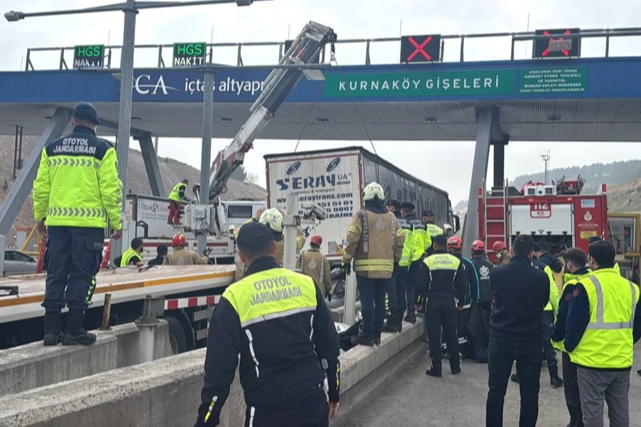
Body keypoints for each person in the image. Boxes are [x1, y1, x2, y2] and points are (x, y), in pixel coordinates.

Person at [194, 222, 340, 427]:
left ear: (241, 255)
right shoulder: (306, 284)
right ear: (273, 247)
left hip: (268, 410)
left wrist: (206, 421)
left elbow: (219, 371)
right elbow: (329, 345)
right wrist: (334, 390)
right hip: (313, 404)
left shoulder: (234, 298)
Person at [33, 101, 123, 347]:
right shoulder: (103, 151)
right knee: (82, 275)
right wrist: (117, 221)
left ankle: (51, 332)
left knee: (56, 273)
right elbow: (110, 191)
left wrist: (40, 217)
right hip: (88, 226)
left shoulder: (52, 149)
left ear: (73, 121)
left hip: (57, 225)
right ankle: (74, 330)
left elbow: (41, 187)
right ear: (95, 124)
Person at [564, 240, 641, 427]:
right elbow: (638, 325)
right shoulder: (632, 287)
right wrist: (624, 343)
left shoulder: (585, 286)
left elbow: (574, 325)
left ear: (591, 260)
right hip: (621, 362)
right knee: (620, 414)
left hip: (591, 362)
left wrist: (569, 347)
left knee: (592, 416)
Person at [485, 235, 550, 427]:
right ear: (531, 254)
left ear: (512, 251)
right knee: (529, 394)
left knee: (496, 392)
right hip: (530, 339)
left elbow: (494, 295)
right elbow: (543, 301)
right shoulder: (541, 277)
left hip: (501, 336)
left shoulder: (497, 273)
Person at [342, 182, 404, 346]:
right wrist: (396, 260)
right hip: (385, 270)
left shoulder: (361, 216)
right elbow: (400, 239)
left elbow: (352, 239)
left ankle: (367, 335)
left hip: (365, 270)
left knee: (367, 302)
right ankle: (376, 335)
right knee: (380, 301)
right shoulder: (392, 218)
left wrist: (346, 260)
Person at [512, 240, 562, 388]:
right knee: (548, 344)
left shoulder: (518, 267)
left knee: (523, 343)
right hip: (544, 311)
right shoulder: (543, 267)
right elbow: (552, 292)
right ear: (532, 252)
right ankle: (554, 376)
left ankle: (520, 375)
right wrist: (557, 313)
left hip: (524, 311)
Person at [415, 234, 467, 377]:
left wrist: (418, 302)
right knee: (451, 334)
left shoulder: (428, 261)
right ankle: (455, 366)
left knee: (434, 335)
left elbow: (420, 285)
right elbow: (462, 285)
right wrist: (461, 302)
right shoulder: (455, 261)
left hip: (433, 301)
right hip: (449, 301)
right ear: (446, 246)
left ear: (435, 245)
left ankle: (436, 368)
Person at [551, 248, 591, 427]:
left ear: (569, 264)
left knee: (573, 392)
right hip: (592, 346)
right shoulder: (593, 280)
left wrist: (557, 336)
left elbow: (564, 317)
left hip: (573, 349)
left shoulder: (572, 285)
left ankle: (576, 423)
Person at [384, 199, 411, 334]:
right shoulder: (408, 223)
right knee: (401, 291)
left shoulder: (391, 222)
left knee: (391, 292)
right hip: (405, 262)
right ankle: (399, 320)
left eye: (388, 206)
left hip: (394, 260)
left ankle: (392, 320)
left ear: (392, 208)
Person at [402, 202, 431, 324]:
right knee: (415, 285)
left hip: (407, 259)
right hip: (419, 259)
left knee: (405, 286)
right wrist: (422, 249)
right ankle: (415, 308)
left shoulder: (405, 223)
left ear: (403, 212)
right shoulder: (422, 225)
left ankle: (407, 312)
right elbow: (428, 242)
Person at [297, 234, 332, 300]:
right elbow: (327, 276)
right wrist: (328, 290)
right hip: (319, 291)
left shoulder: (302, 256)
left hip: (305, 290)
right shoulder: (323, 258)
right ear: (319, 245)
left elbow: (296, 271)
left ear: (310, 244)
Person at [470, 240, 493, 312]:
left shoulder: (470, 265)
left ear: (472, 251)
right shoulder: (490, 265)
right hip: (489, 301)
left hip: (475, 302)